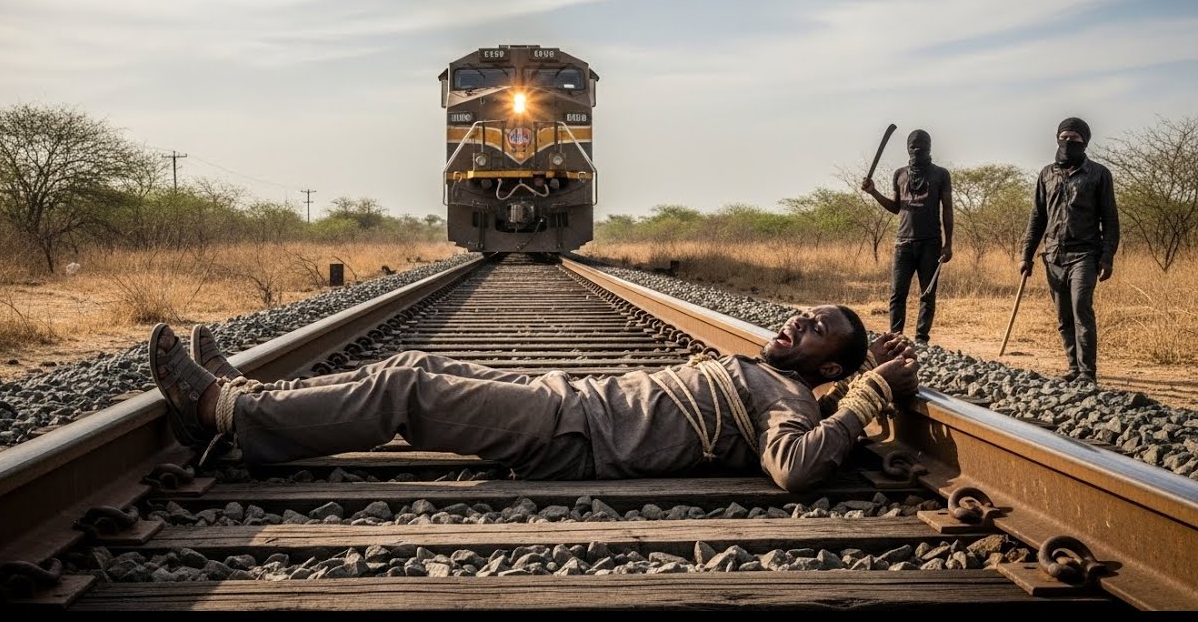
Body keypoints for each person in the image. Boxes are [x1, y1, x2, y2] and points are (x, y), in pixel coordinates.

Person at [148, 306, 920, 493]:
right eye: (805, 313)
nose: (799, 321)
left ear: (828, 367)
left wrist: (870, 394)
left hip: (571, 432)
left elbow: (793, 467)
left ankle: (222, 412)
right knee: (417, 362)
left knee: (406, 390)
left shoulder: (791, 399)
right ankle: (254, 398)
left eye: (818, 329)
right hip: (562, 401)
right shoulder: (770, 372)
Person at [1019, 116, 1120, 385]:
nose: (1067, 142)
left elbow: (1110, 219)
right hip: (1053, 255)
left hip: (1085, 254)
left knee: (1081, 308)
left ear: (1084, 142)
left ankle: (1087, 373)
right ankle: (1074, 368)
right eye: (1063, 137)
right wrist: (1026, 255)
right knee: (1063, 315)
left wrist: (1107, 257)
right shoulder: (1047, 174)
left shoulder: (1099, 174)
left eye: (1074, 138)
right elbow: (1037, 217)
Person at [861, 129, 955, 345]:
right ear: (907, 148)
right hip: (903, 243)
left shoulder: (941, 174)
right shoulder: (900, 174)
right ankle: (895, 337)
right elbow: (896, 207)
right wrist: (873, 192)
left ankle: (921, 340)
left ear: (930, 147)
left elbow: (948, 209)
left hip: (931, 243)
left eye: (922, 145)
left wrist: (948, 243)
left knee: (927, 294)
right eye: (913, 145)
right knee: (897, 293)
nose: (917, 149)